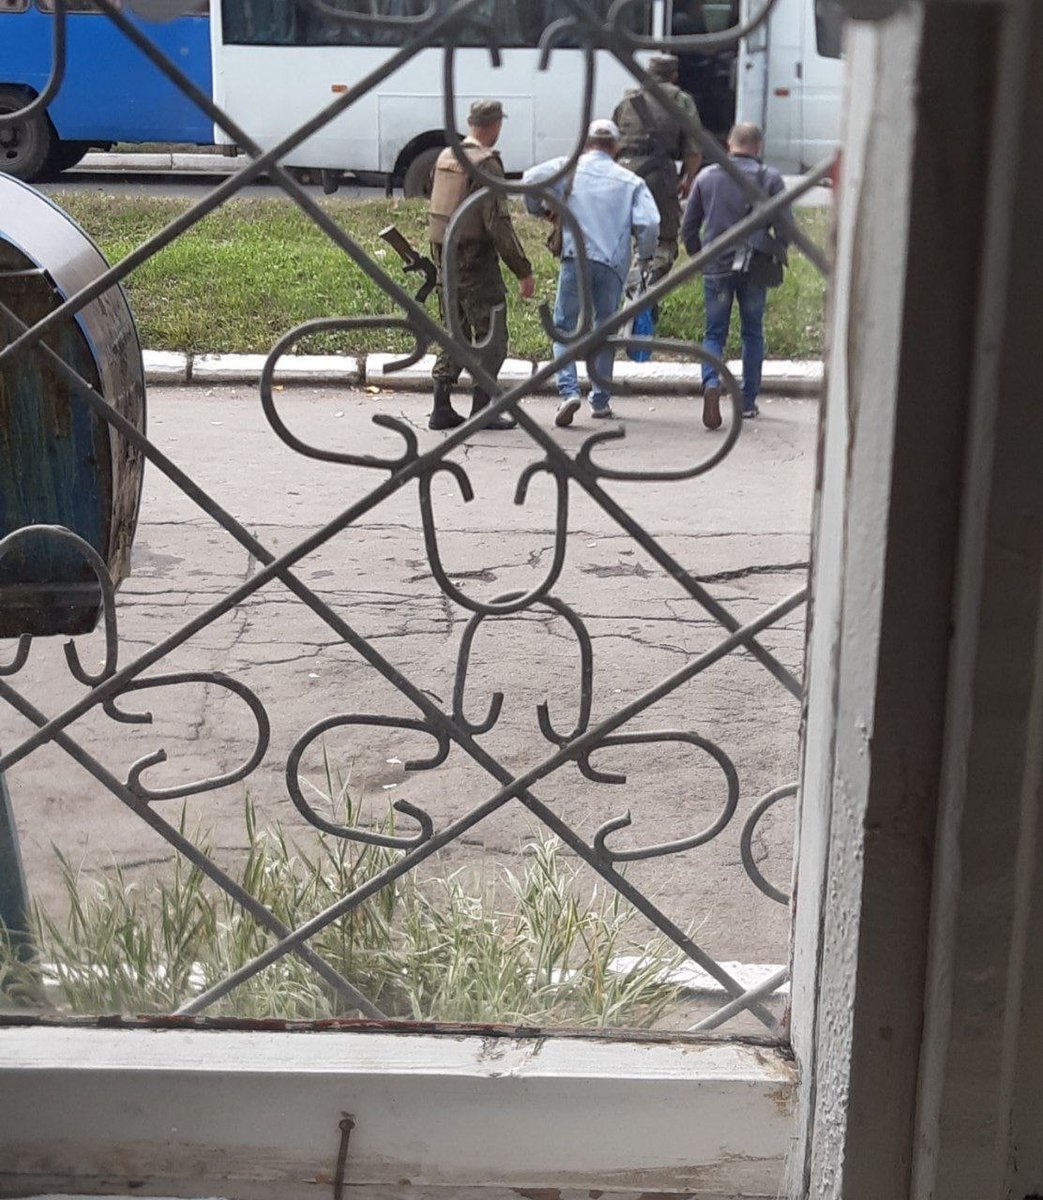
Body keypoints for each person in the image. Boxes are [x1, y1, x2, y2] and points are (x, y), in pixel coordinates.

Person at [522, 118, 660, 426]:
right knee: (604, 331)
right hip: (612, 263)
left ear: (586, 144)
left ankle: (569, 392)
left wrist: (538, 209)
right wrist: (645, 255)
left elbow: (530, 178)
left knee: (563, 326)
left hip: (575, 258)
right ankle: (600, 400)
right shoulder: (631, 181)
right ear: (616, 146)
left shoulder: (568, 168)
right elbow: (650, 223)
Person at [428, 99, 535, 431]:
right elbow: (497, 223)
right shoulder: (486, 165)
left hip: (444, 258)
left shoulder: (448, 156)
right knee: (492, 336)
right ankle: (481, 411)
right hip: (475, 262)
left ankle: (441, 407)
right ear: (495, 125)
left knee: (455, 334)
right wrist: (522, 269)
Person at [681, 122, 789, 427]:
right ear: (758, 146)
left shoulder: (707, 177)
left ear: (729, 144)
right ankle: (748, 402)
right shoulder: (771, 179)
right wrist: (775, 251)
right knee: (752, 332)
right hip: (755, 267)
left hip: (716, 266)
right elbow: (785, 228)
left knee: (714, 333)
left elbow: (689, 227)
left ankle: (711, 382)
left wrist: (700, 257)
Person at [613, 53, 702, 283]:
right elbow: (694, 149)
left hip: (623, 172)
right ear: (674, 75)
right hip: (658, 175)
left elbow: (613, 140)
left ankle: (628, 283)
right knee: (664, 239)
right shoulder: (681, 100)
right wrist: (688, 179)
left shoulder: (628, 101)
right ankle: (645, 283)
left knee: (623, 234)